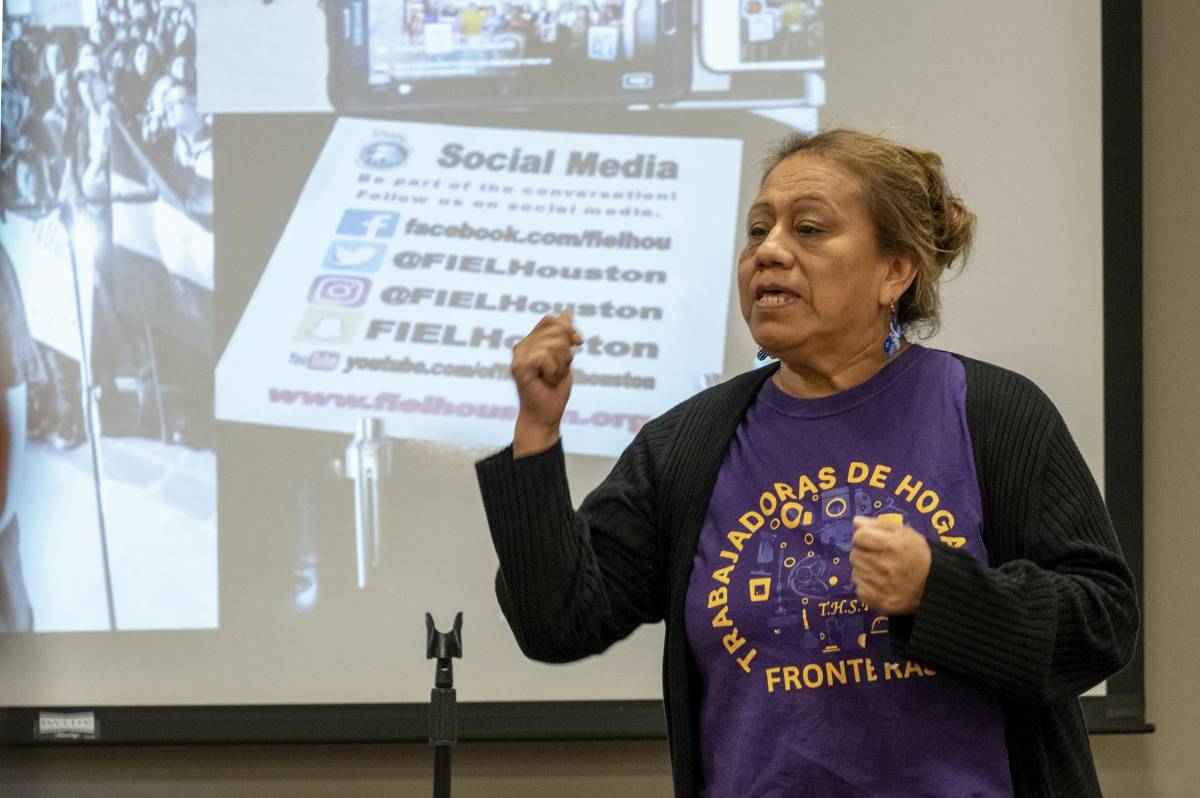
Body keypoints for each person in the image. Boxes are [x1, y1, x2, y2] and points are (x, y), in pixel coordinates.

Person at [475, 128, 1139, 797]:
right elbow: (557, 622)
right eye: (758, 229)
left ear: (895, 271)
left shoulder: (992, 413)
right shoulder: (687, 444)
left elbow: (1103, 622)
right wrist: (537, 431)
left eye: (810, 229)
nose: (769, 251)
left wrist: (937, 591)